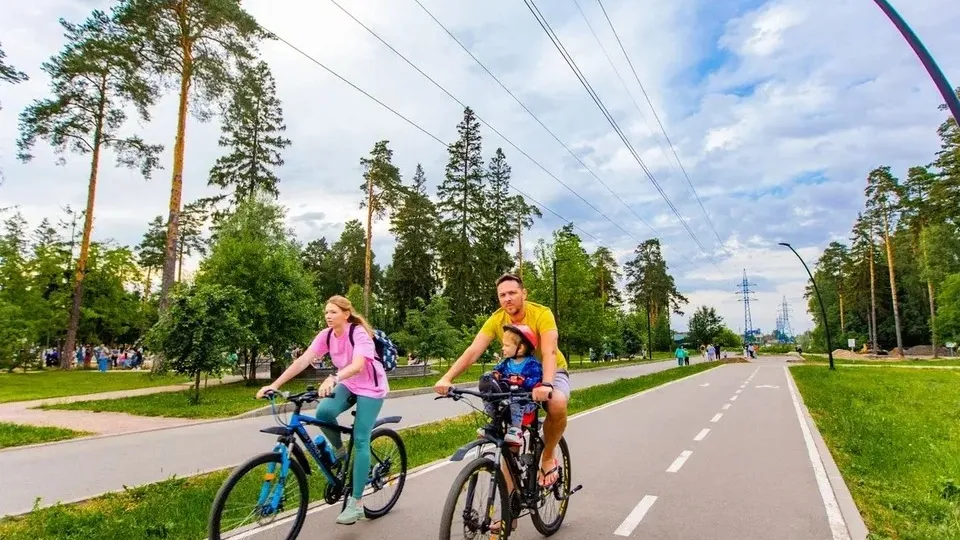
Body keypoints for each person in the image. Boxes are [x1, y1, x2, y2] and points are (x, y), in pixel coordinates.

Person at [256, 295, 388, 525]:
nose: (328, 316)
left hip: (370, 387)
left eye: (333, 312)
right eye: (326, 312)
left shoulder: (357, 332)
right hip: (349, 383)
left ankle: (356, 503)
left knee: (360, 439)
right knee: (323, 413)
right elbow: (303, 360)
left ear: (346, 314)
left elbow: (358, 365)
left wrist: (334, 377)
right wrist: (274, 385)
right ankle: (339, 453)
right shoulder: (326, 335)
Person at [435, 273, 568, 489]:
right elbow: (473, 350)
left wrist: (547, 384)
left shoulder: (541, 314)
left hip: (548, 371)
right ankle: (509, 516)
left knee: (557, 402)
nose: (507, 298)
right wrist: (447, 377)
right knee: (508, 441)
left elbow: (550, 350)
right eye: (502, 295)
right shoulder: (497, 319)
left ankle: (547, 456)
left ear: (524, 293)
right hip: (514, 376)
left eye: (512, 293)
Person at [478, 324, 544, 446]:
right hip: (507, 399)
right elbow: (497, 370)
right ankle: (494, 422)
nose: (503, 348)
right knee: (488, 393)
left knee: (516, 396)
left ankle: (516, 430)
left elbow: (536, 380)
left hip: (526, 402)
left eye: (506, 345)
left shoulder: (532, 363)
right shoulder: (506, 362)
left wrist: (522, 381)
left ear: (521, 348)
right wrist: (495, 374)